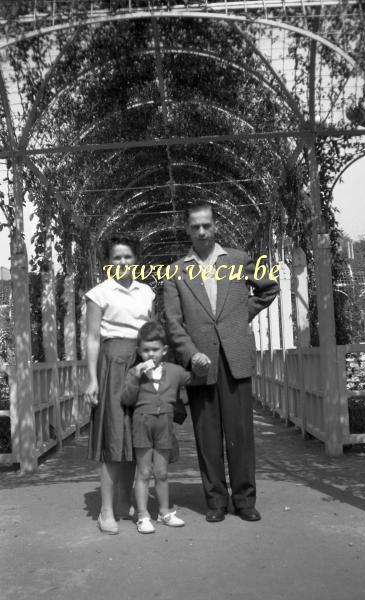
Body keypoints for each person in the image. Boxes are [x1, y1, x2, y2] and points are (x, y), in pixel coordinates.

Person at [163, 201, 279, 523]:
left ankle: (244, 501)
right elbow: (173, 322)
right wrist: (189, 352)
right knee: (207, 435)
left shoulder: (239, 259)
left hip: (236, 357)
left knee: (240, 433)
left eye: (206, 225)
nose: (201, 232)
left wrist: (242, 315)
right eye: (195, 226)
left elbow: (269, 289)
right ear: (187, 229)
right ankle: (215, 501)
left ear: (215, 226)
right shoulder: (175, 272)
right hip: (200, 363)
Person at [84, 234, 155, 535]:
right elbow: (91, 337)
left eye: (127, 257)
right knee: (114, 437)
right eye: (117, 258)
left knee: (136, 435)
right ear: (108, 262)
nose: (123, 262)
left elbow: (152, 334)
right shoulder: (99, 293)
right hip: (112, 364)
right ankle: (105, 511)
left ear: (135, 260)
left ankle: (128, 501)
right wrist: (91, 378)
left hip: (141, 363)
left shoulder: (147, 292)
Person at [120, 321, 190, 534]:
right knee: (143, 472)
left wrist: (200, 362)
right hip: (142, 424)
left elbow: (194, 377)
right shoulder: (134, 372)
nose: (151, 354)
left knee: (161, 472)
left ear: (164, 350)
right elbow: (127, 399)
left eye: (155, 349)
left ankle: (165, 512)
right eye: (146, 350)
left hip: (164, 424)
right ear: (139, 351)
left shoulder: (174, 371)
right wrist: (135, 376)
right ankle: (143, 515)